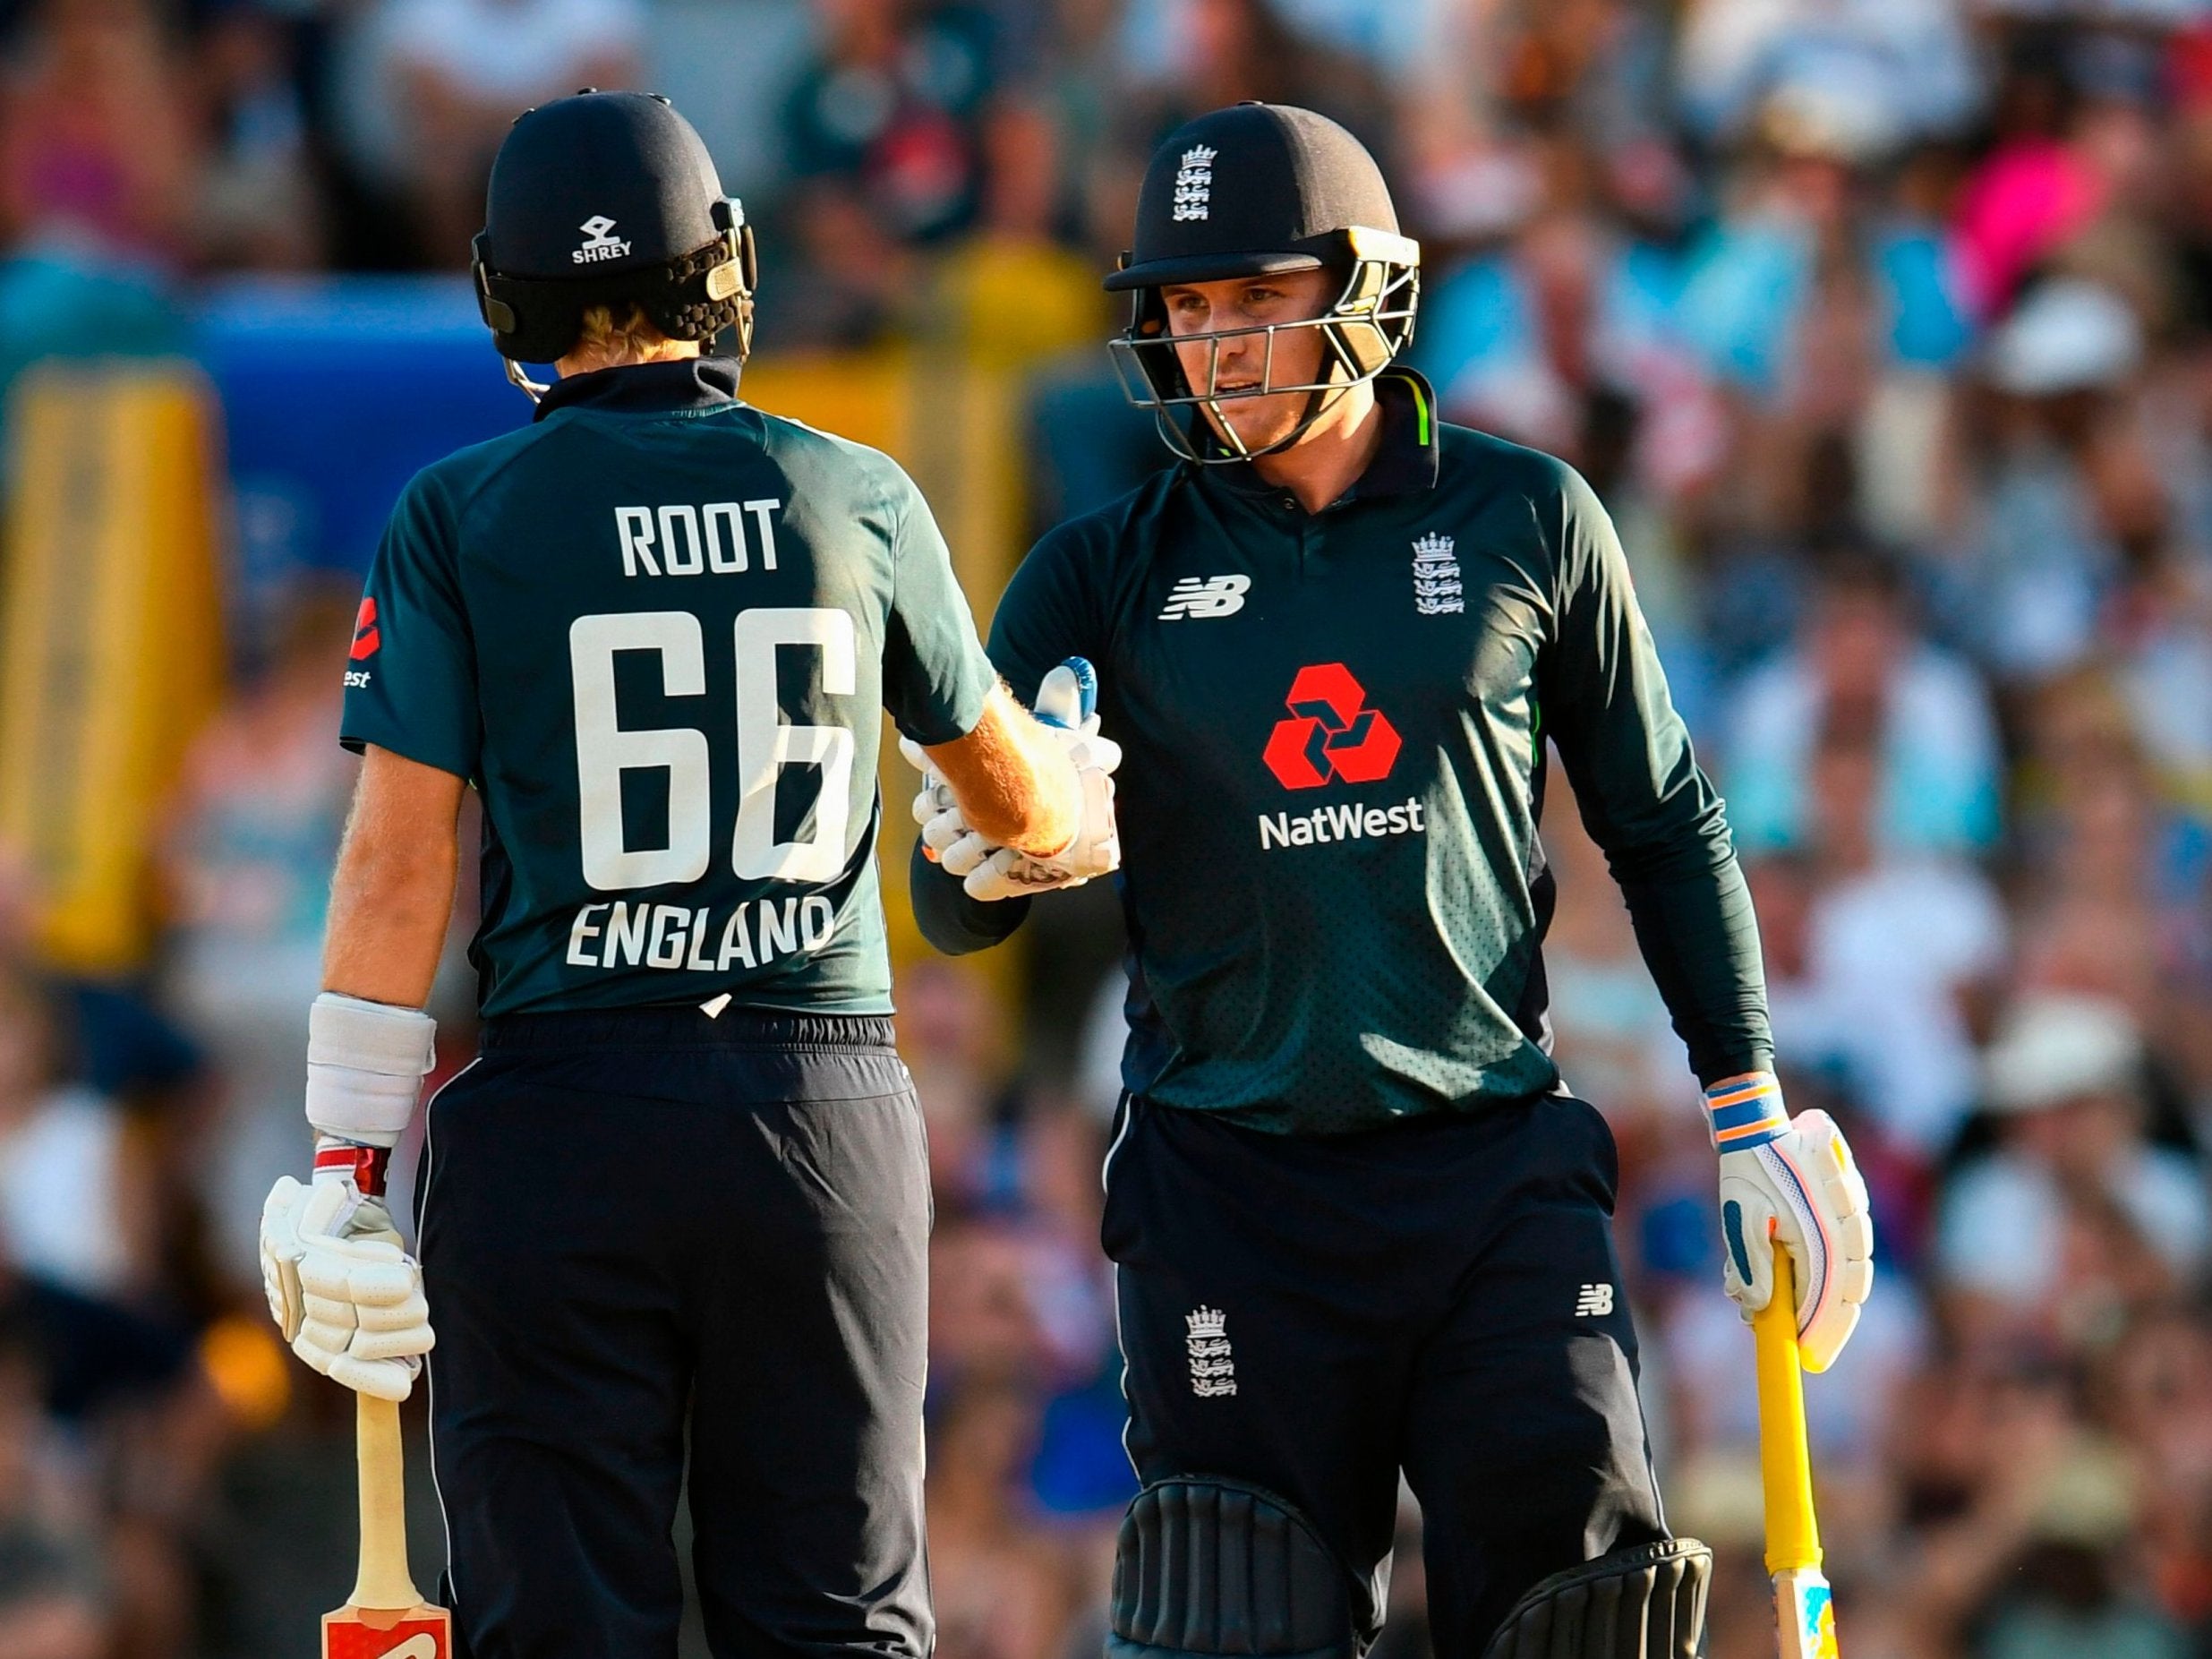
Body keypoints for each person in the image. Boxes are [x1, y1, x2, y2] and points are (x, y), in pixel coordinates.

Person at [908, 103, 1875, 1657]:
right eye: (1188, 306)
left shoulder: (1526, 515)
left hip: (1487, 1165)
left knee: (1582, 1620)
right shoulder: (1095, 570)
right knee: (1235, 1621)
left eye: (1256, 296)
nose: (1216, 342)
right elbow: (952, 910)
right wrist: (998, 842)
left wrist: (1748, 1101)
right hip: (1225, 1190)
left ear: (1364, 289)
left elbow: (1663, 813)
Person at [252, 91, 1118, 1659]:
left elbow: (395, 866)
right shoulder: (856, 493)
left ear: (508, 294)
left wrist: (346, 1167)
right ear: (719, 270)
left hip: (562, 1119)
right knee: (841, 1626)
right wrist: (1071, 785)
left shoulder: (460, 512)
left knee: (566, 1626)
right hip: (820, 1102)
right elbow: (1021, 813)